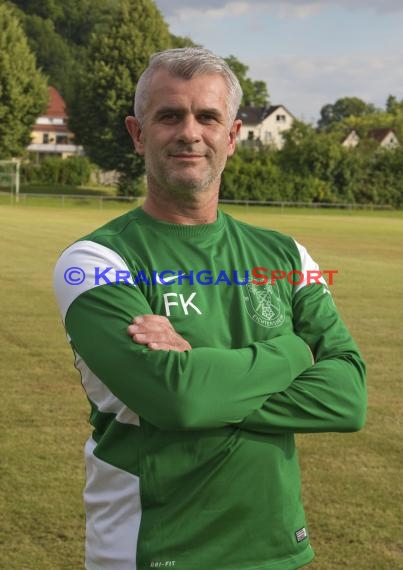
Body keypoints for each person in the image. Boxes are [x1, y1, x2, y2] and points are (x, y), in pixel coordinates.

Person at [53, 47, 367, 570]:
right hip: (149, 548)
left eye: (208, 116)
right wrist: (291, 350)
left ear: (234, 135)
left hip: (275, 548)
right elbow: (178, 399)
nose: (189, 132)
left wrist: (198, 366)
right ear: (137, 133)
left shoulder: (287, 255)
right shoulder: (93, 261)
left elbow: (348, 397)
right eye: (169, 116)